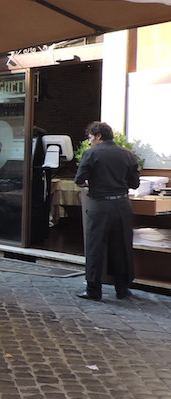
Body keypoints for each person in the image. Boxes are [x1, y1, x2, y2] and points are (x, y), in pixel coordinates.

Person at [74, 121, 140, 301]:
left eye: (90, 138)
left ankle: (94, 290)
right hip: (122, 205)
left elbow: (79, 180)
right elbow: (135, 183)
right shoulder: (128, 154)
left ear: (98, 136)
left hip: (100, 204)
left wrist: (91, 183)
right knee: (122, 246)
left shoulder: (91, 154)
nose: (89, 142)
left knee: (95, 247)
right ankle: (122, 289)